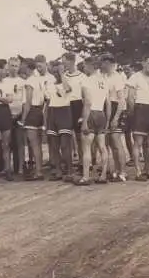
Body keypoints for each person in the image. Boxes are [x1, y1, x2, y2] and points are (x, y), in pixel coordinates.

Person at [77, 57, 111, 185]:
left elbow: (88, 102)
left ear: (91, 66)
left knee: (86, 147)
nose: (84, 68)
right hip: (101, 113)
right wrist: (107, 120)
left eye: (85, 66)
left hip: (91, 113)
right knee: (102, 146)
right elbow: (108, 103)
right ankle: (102, 175)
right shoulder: (104, 81)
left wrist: (84, 121)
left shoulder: (87, 81)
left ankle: (86, 177)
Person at [44, 59, 74, 182]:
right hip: (52, 111)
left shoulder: (67, 80)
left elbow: (68, 89)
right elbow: (47, 100)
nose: (57, 73)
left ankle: (70, 170)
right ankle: (58, 170)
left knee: (65, 145)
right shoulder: (49, 83)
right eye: (55, 71)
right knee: (54, 145)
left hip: (64, 111)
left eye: (59, 70)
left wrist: (62, 74)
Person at [100, 53, 127, 182]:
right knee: (110, 143)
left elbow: (122, 100)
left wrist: (116, 117)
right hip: (106, 108)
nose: (102, 65)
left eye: (104, 63)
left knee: (116, 142)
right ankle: (116, 170)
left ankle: (122, 171)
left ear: (109, 63)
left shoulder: (117, 78)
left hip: (116, 108)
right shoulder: (104, 77)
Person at [21, 58, 46, 181]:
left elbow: (28, 101)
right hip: (40, 111)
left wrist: (23, 118)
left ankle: (38, 172)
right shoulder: (38, 80)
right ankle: (39, 170)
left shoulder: (30, 81)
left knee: (34, 144)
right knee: (38, 144)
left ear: (27, 67)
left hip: (32, 112)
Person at [6, 57, 27, 175]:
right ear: (8, 66)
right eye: (12, 65)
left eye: (16, 66)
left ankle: (20, 168)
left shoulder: (22, 82)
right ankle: (7, 168)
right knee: (7, 143)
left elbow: (24, 101)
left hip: (19, 115)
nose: (14, 68)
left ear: (19, 67)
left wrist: (21, 115)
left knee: (20, 142)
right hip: (7, 115)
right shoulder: (4, 81)